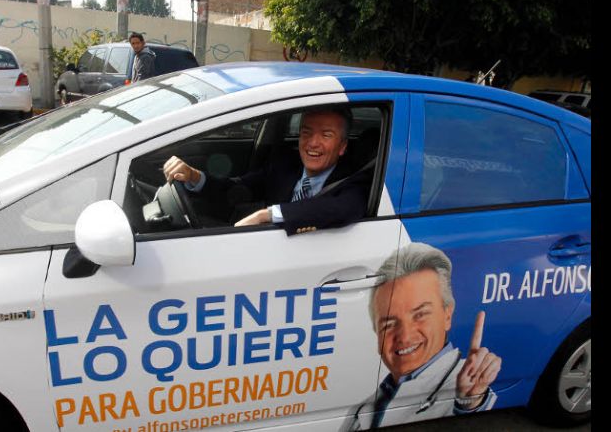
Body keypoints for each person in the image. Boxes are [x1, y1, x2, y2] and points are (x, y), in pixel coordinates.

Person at [341, 242, 502, 430]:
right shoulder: (361, 408)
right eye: (389, 324)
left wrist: (470, 403)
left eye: (420, 315)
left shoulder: (465, 388)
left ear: (447, 315)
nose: (405, 336)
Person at [161, 107, 371, 235]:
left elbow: (343, 208)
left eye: (326, 135)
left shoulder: (354, 179)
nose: (312, 143)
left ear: (343, 146)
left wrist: (267, 215)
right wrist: (194, 176)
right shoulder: (285, 165)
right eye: (306, 132)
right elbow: (238, 190)